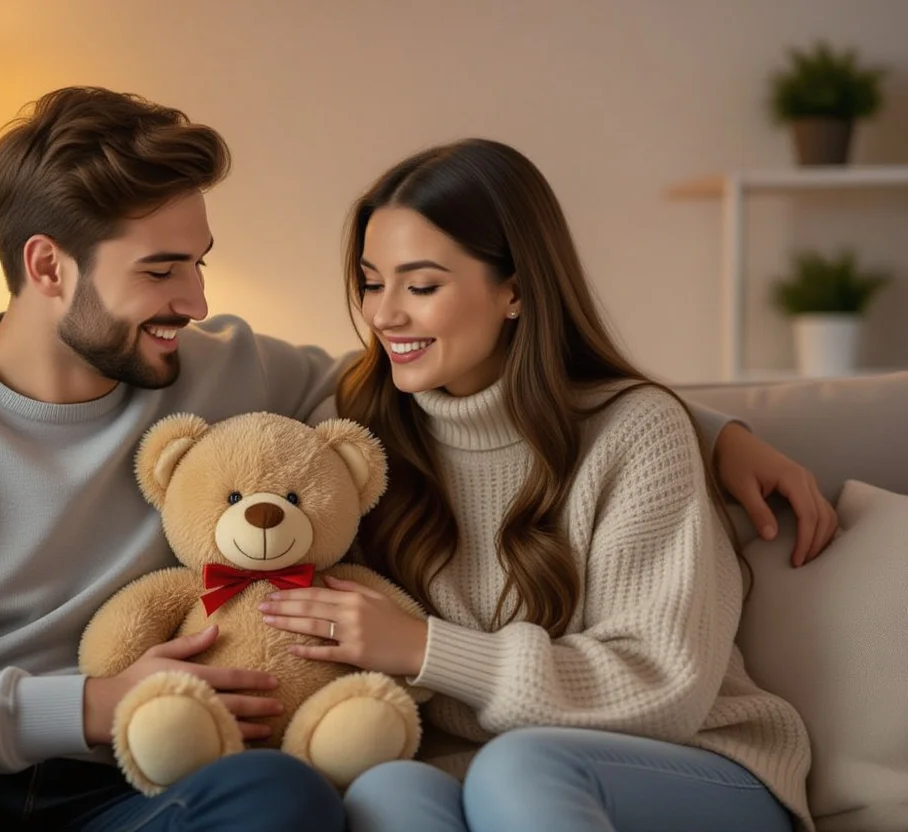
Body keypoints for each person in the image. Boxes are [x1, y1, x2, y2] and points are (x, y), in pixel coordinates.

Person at [0, 87, 828, 831]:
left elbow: (496, 381)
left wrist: (714, 430)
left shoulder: (228, 373)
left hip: (142, 795)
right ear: (48, 266)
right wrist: (86, 701)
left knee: (290, 803)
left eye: (201, 264)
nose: (198, 303)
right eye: (163, 271)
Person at [258, 139, 818, 831]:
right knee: (390, 793)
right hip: (473, 771)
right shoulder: (355, 427)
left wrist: (424, 647)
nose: (383, 314)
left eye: (421, 285)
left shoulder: (636, 431)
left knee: (521, 767)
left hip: (684, 764)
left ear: (515, 290)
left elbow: (662, 687)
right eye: (372, 281)